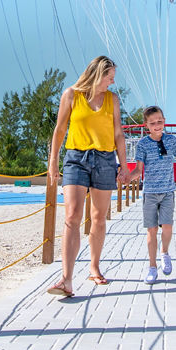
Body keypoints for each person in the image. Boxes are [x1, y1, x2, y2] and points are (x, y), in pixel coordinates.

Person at [46, 55, 129, 297]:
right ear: (97, 74)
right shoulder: (71, 94)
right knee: (72, 216)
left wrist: (123, 165)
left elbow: (118, 134)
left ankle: (94, 267)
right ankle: (66, 279)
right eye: (110, 78)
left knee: (98, 218)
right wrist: (53, 161)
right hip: (75, 159)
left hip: (104, 160)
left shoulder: (112, 100)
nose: (112, 83)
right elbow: (60, 129)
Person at [132, 106, 176, 284]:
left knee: (167, 227)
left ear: (164, 121)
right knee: (151, 230)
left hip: (168, 191)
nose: (157, 125)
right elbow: (138, 169)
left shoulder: (172, 140)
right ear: (146, 125)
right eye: (153, 123)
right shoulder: (142, 144)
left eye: (159, 121)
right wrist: (128, 176)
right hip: (150, 192)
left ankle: (164, 252)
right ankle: (152, 267)